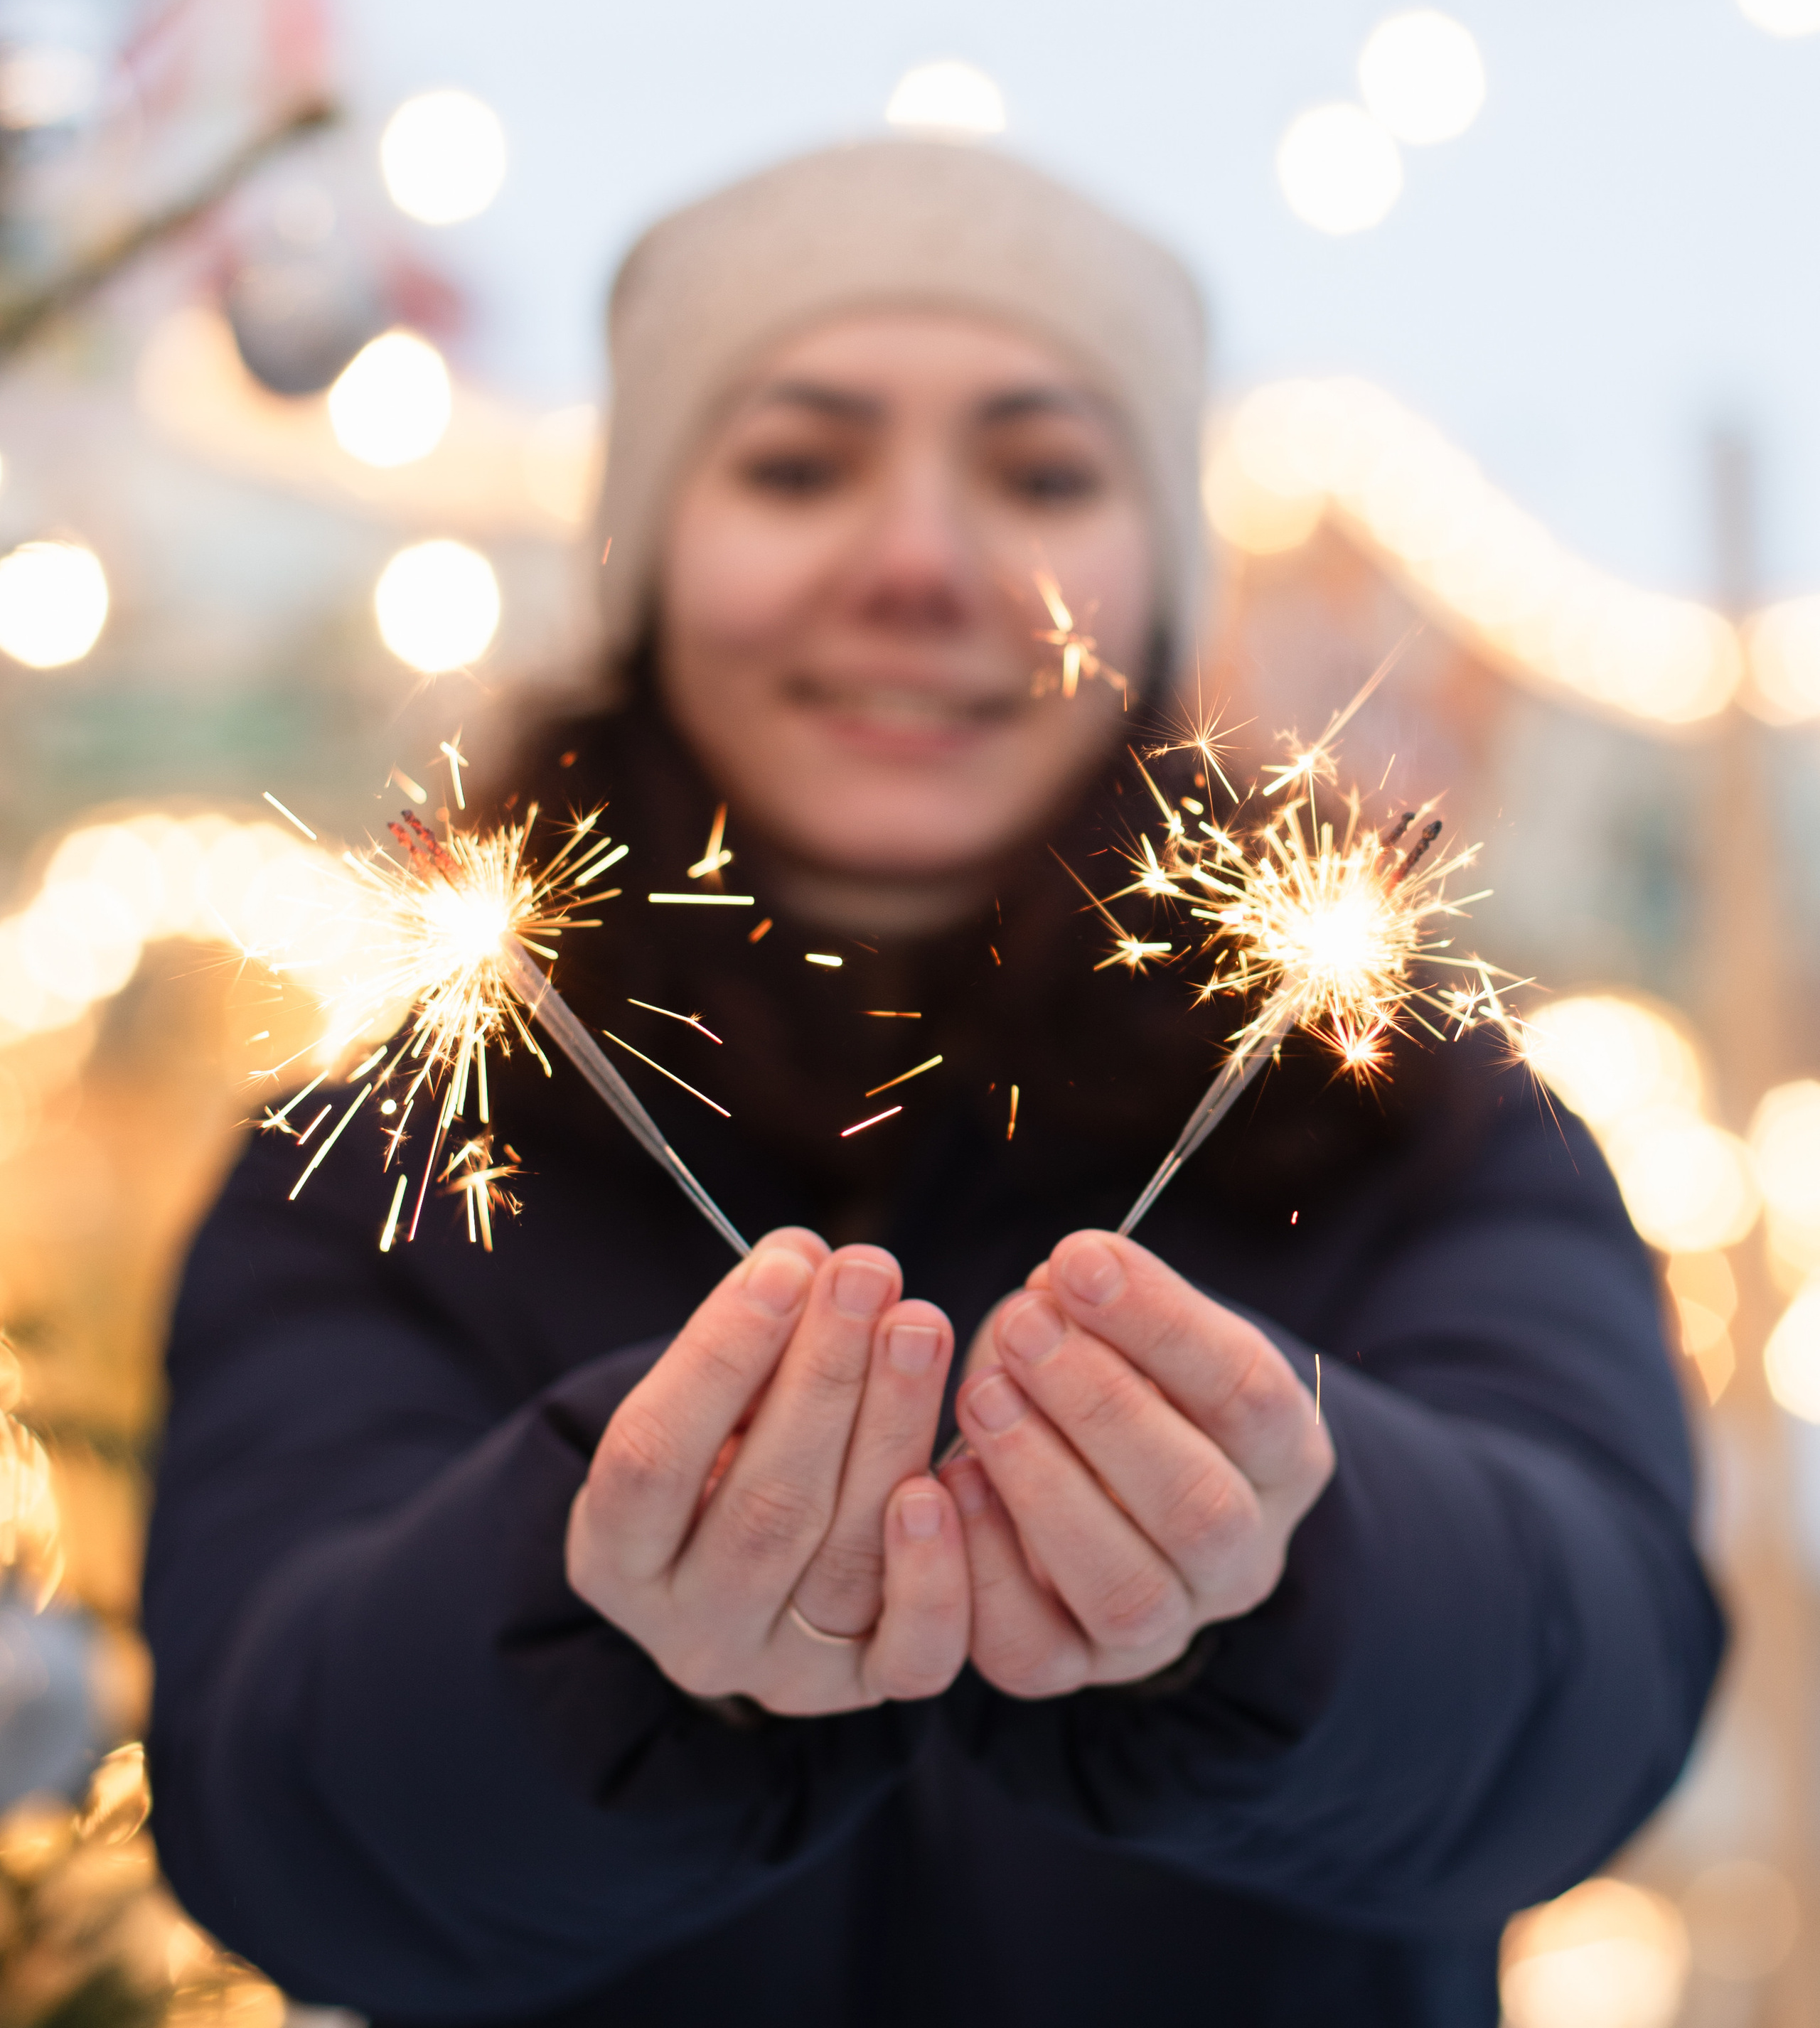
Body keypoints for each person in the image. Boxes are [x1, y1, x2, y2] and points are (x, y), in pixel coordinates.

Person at [143, 140, 1722, 2028]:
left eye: (1043, 475)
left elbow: (1598, 1697)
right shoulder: (381, 1161)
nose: (919, 565)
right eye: (796, 467)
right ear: (649, 549)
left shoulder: (1422, 1120)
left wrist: (1297, 1581)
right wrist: (595, 1629)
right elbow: (272, 1817)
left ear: (1160, 575)